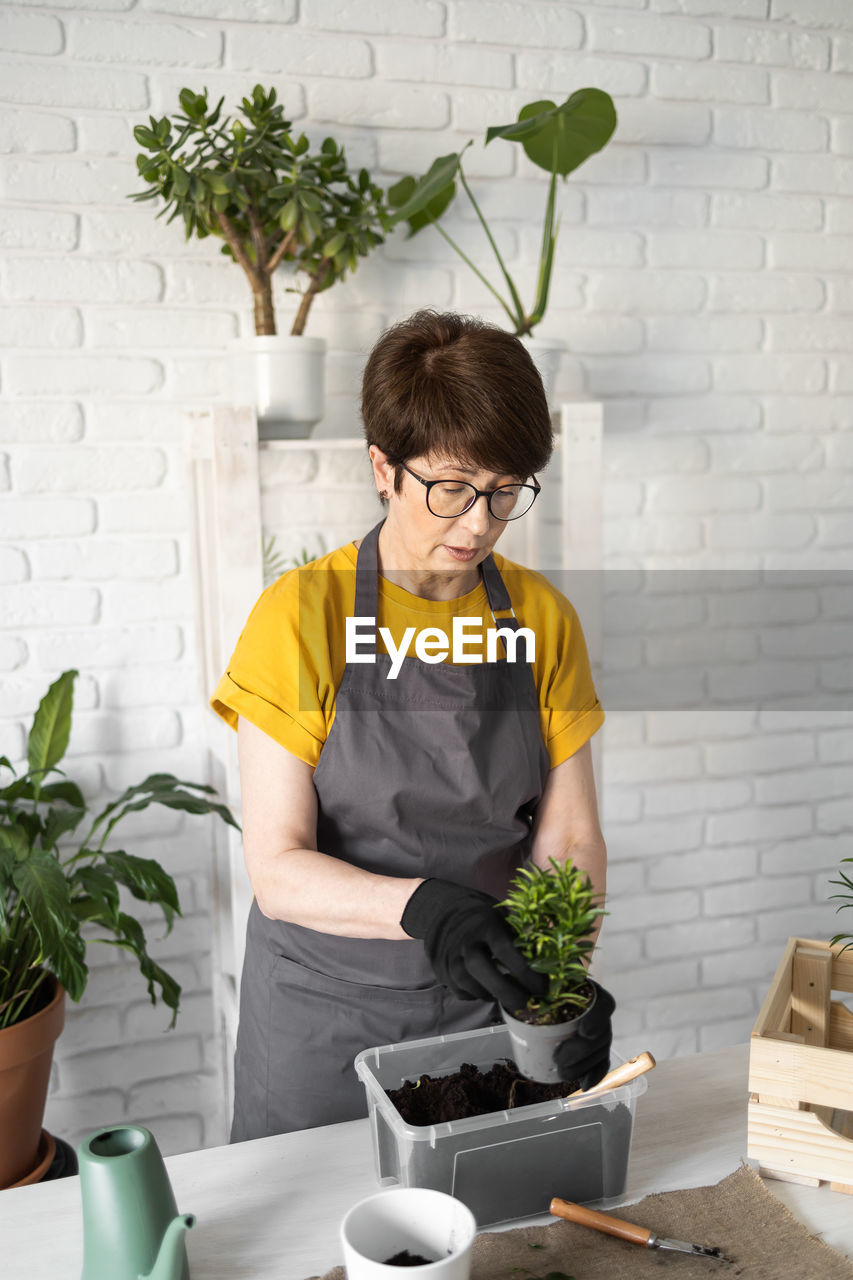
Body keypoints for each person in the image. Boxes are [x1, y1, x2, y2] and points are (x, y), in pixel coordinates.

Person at [211, 309, 613, 1142]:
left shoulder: (541, 617)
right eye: (453, 487)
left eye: (505, 491)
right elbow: (278, 868)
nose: (479, 524)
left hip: (486, 1011)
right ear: (382, 469)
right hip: (323, 1018)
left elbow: (568, 839)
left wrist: (559, 985)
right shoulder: (299, 617)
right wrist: (427, 907)